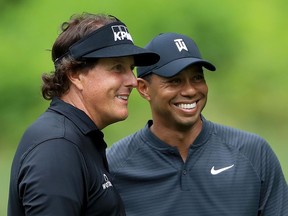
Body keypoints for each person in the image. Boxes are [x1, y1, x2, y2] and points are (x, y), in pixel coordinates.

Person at [107, 32, 288, 215]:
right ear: (144, 89)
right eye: (175, 81)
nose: (190, 90)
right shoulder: (113, 166)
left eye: (197, 78)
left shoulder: (253, 153)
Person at [8, 13, 159, 216]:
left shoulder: (75, 138)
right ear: (75, 74)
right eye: (117, 67)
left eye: (131, 68)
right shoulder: (57, 147)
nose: (132, 81)